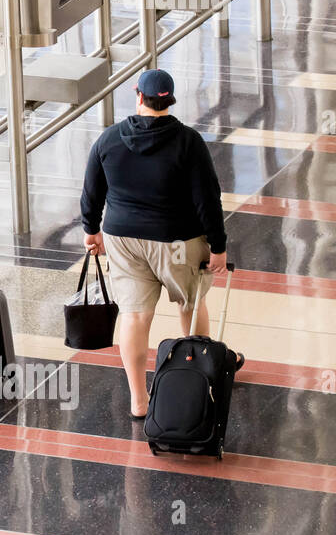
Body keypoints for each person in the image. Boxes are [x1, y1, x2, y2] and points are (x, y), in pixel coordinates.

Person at [79, 68, 239, 420]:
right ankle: (198, 385)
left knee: (135, 316)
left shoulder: (109, 140)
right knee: (190, 305)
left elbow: (92, 191)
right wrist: (218, 246)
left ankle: (139, 399)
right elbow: (207, 200)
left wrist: (92, 230)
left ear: (138, 96)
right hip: (176, 242)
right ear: (170, 100)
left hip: (123, 240)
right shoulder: (188, 142)